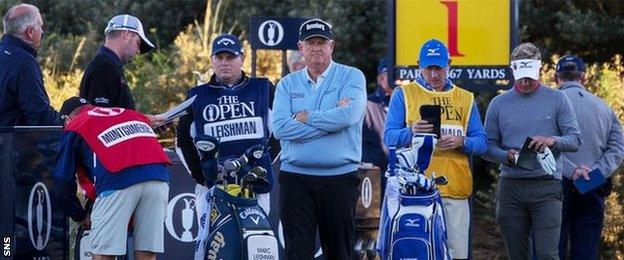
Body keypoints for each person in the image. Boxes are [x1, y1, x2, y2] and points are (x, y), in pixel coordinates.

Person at [383, 39, 487, 260]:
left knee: (456, 254)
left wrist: (463, 142)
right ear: (419, 65)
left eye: (438, 67)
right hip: (413, 192)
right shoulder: (404, 94)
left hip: (455, 188)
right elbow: (389, 137)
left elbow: (483, 143)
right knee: (418, 252)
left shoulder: (466, 98)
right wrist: (411, 131)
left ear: (448, 65)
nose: (433, 74)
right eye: (428, 67)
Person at [272, 18, 367, 259]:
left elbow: (349, 115)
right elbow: (280, 129)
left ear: (332, 46)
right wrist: (330, 122)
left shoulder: (351, 77)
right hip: (296, 180)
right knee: (298, 253)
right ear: (301, 47)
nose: (316, 47)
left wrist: (305, 117)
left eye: (321, 42)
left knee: (339, 253)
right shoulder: (286, 84)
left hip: (339, 179)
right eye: (310, 42)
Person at [483, 43, 581, 259]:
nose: (525, 82)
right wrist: (507, 156)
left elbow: (575, 140)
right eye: (521, 77)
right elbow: (487, 146)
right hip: (511, 187)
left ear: (539, 70)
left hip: (547, 186)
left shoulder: (557, 99)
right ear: (513, 71)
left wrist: (551, 140)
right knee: (518, 255)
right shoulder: (498, 103)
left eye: (530, 76)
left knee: (547, 254)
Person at [53, 96, 171, 260]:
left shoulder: (75, 125)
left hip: (117, 179)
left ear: (66, 119)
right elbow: (150, 119)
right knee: (147, 252)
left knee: (104, 253)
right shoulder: (126, 112)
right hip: (159, 176)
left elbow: (61, 182)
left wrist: (80, 215)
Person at [176, 33, 275, 208]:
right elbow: (183, 141)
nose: (224, 62)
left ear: (242, 58)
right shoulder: (196, 96)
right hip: (212, 189)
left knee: (254, 236)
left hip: (256, 186)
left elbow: (281, 132)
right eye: (219, 57)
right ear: (212, 60)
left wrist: (263, 161)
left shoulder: (264, 89)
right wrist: (202, 176)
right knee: (212, 236)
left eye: (230, 57)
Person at [556, 55, 624, 260]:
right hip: (592, 182)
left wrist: (571, 171)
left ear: (557, 77)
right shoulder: (604, 108)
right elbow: (618, 148)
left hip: (557, 182)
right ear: (583, 77)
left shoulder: (549, 105)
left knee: (551, 249)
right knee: (586, 249)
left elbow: (541, 146)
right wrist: (595, 172)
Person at [0, 3, 60, 126]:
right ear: (30, 32)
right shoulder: (24, 62)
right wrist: (66, 120)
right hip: (13, 142)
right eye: (41, 27)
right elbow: (39, 116)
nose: (42, 31)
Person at [79, 14, 154, 110]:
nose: (138, 51)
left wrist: (145, 120)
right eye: (138, 43)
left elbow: (115, 115)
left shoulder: (108, 65)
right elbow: (101, 118)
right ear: (126, 34)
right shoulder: (104, 68)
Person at [362, 57, 393, 196]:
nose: (395, 81)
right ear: (381, 79)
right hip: (379, 175)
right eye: (390, 76)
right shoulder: (367, 105)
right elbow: (366, 145)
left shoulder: (408, 104)